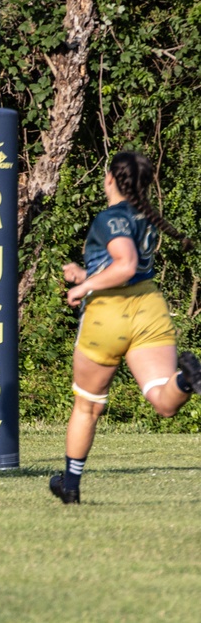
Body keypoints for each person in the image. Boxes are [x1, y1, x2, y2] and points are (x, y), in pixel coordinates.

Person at [51, 151, 201, 504]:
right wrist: (85, 274)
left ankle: (70, 485)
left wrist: (83, 287)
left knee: (87, 405)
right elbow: (125, 270)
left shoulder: (111, 217)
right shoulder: (144, 216)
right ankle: (186, 378)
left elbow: (124, 266)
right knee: (163, 399)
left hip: (108, 313)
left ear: (109, 178)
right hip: (148, 308)